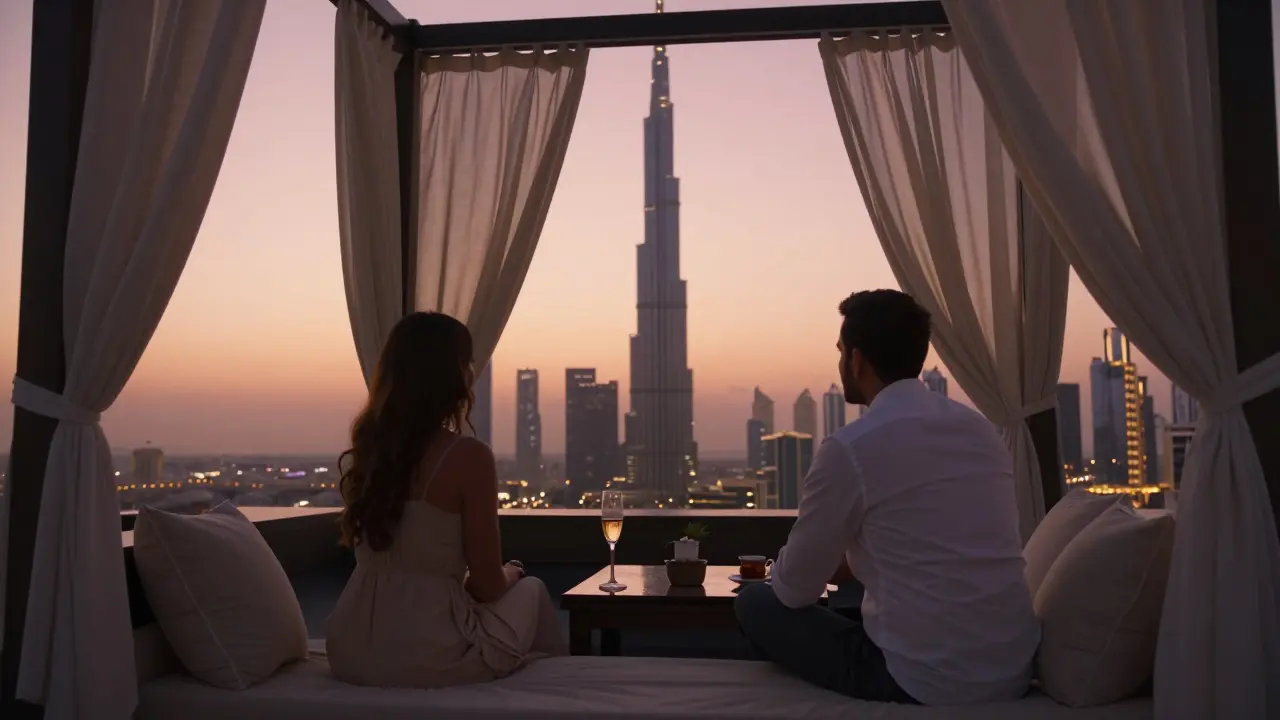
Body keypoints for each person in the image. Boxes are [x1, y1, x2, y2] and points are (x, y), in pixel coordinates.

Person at [735, 289, 1039, 706]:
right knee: (848, 606)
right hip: (1010, 670)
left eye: (841, 352)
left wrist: (802, 569)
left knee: (757, 603)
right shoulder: (981, 431)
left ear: (857, 360)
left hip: (921, 681)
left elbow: (794, 591)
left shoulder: (851, 448)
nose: (841, 363)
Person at [326, 312, 568, 688]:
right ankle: (554, 696)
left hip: (349, 649)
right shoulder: (467, 456)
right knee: (532, 590)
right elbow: (487, 587)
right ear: (455, 374)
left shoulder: (371, 451)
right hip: (424, 652)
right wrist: (512, 572)